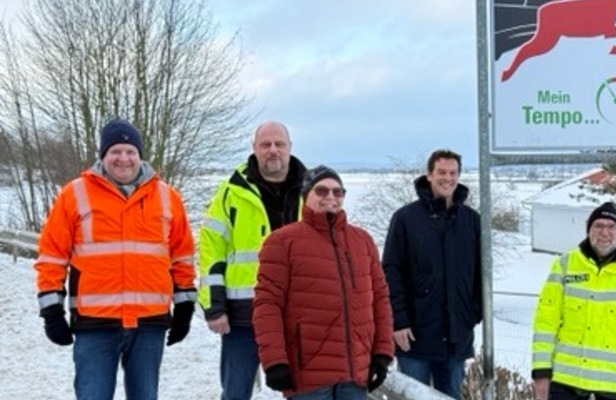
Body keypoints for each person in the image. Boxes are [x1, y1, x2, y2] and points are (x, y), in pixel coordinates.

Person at [34, 117, 197, 400]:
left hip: (150, 323)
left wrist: (185, 307)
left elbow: (182, 256)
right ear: (103, 156)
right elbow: (52, 256)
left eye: (130, 151)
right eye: (115, 151)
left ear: (140, 155)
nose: (124, 158)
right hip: (95, 323)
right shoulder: (74, 194)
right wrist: (51, 310)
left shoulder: (168, 196)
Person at [252, 165, 394, 399]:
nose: (330, 197)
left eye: (337, 192)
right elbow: (267, 305)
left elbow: (379, 299)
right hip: (308, 377)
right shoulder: (282, 242)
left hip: (355, 374)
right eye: (321, 191)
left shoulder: (362, 241)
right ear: (306, 196)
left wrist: (383, 352)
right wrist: (275, 361)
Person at [198, 121, 307, 399]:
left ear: (290, 148)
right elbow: (211, 251)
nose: (273, 151)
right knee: (236, 392)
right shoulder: (230, 192)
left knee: (305, 391)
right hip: (243, 316)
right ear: (254, 149)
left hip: (298, 314)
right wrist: (214, 306)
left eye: (279, 144)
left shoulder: (311, 190)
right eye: (265, 145)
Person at [531, 202, 616, 400]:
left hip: (615, 387)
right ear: (588, 230)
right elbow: (545, 323)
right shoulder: (565, 265)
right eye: (598, 226)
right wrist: (541, 372)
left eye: (611, 226)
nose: (604, 232)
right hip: (565, 383)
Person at [382, 149, 482, 399]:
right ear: (429, 174)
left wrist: (472, 314)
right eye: (441, 172)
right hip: (415, 336)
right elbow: (391, 272)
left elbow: (482, 274)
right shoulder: (406, 219)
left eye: (453, 173)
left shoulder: (471, 221)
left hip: (456, 338)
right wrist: (399, 321)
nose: (447, 178)